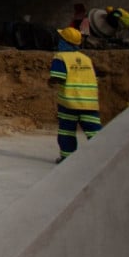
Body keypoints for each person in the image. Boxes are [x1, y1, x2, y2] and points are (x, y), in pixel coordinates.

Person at [47, 27, 102, 163]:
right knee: (95, 132)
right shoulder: (86, 59)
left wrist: (50, 81)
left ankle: (67, 158)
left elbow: (58, 77)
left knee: (67, 131)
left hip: (69, 102)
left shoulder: (61, 57)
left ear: (65, 42)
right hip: (89, 102)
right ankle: (103, 156)